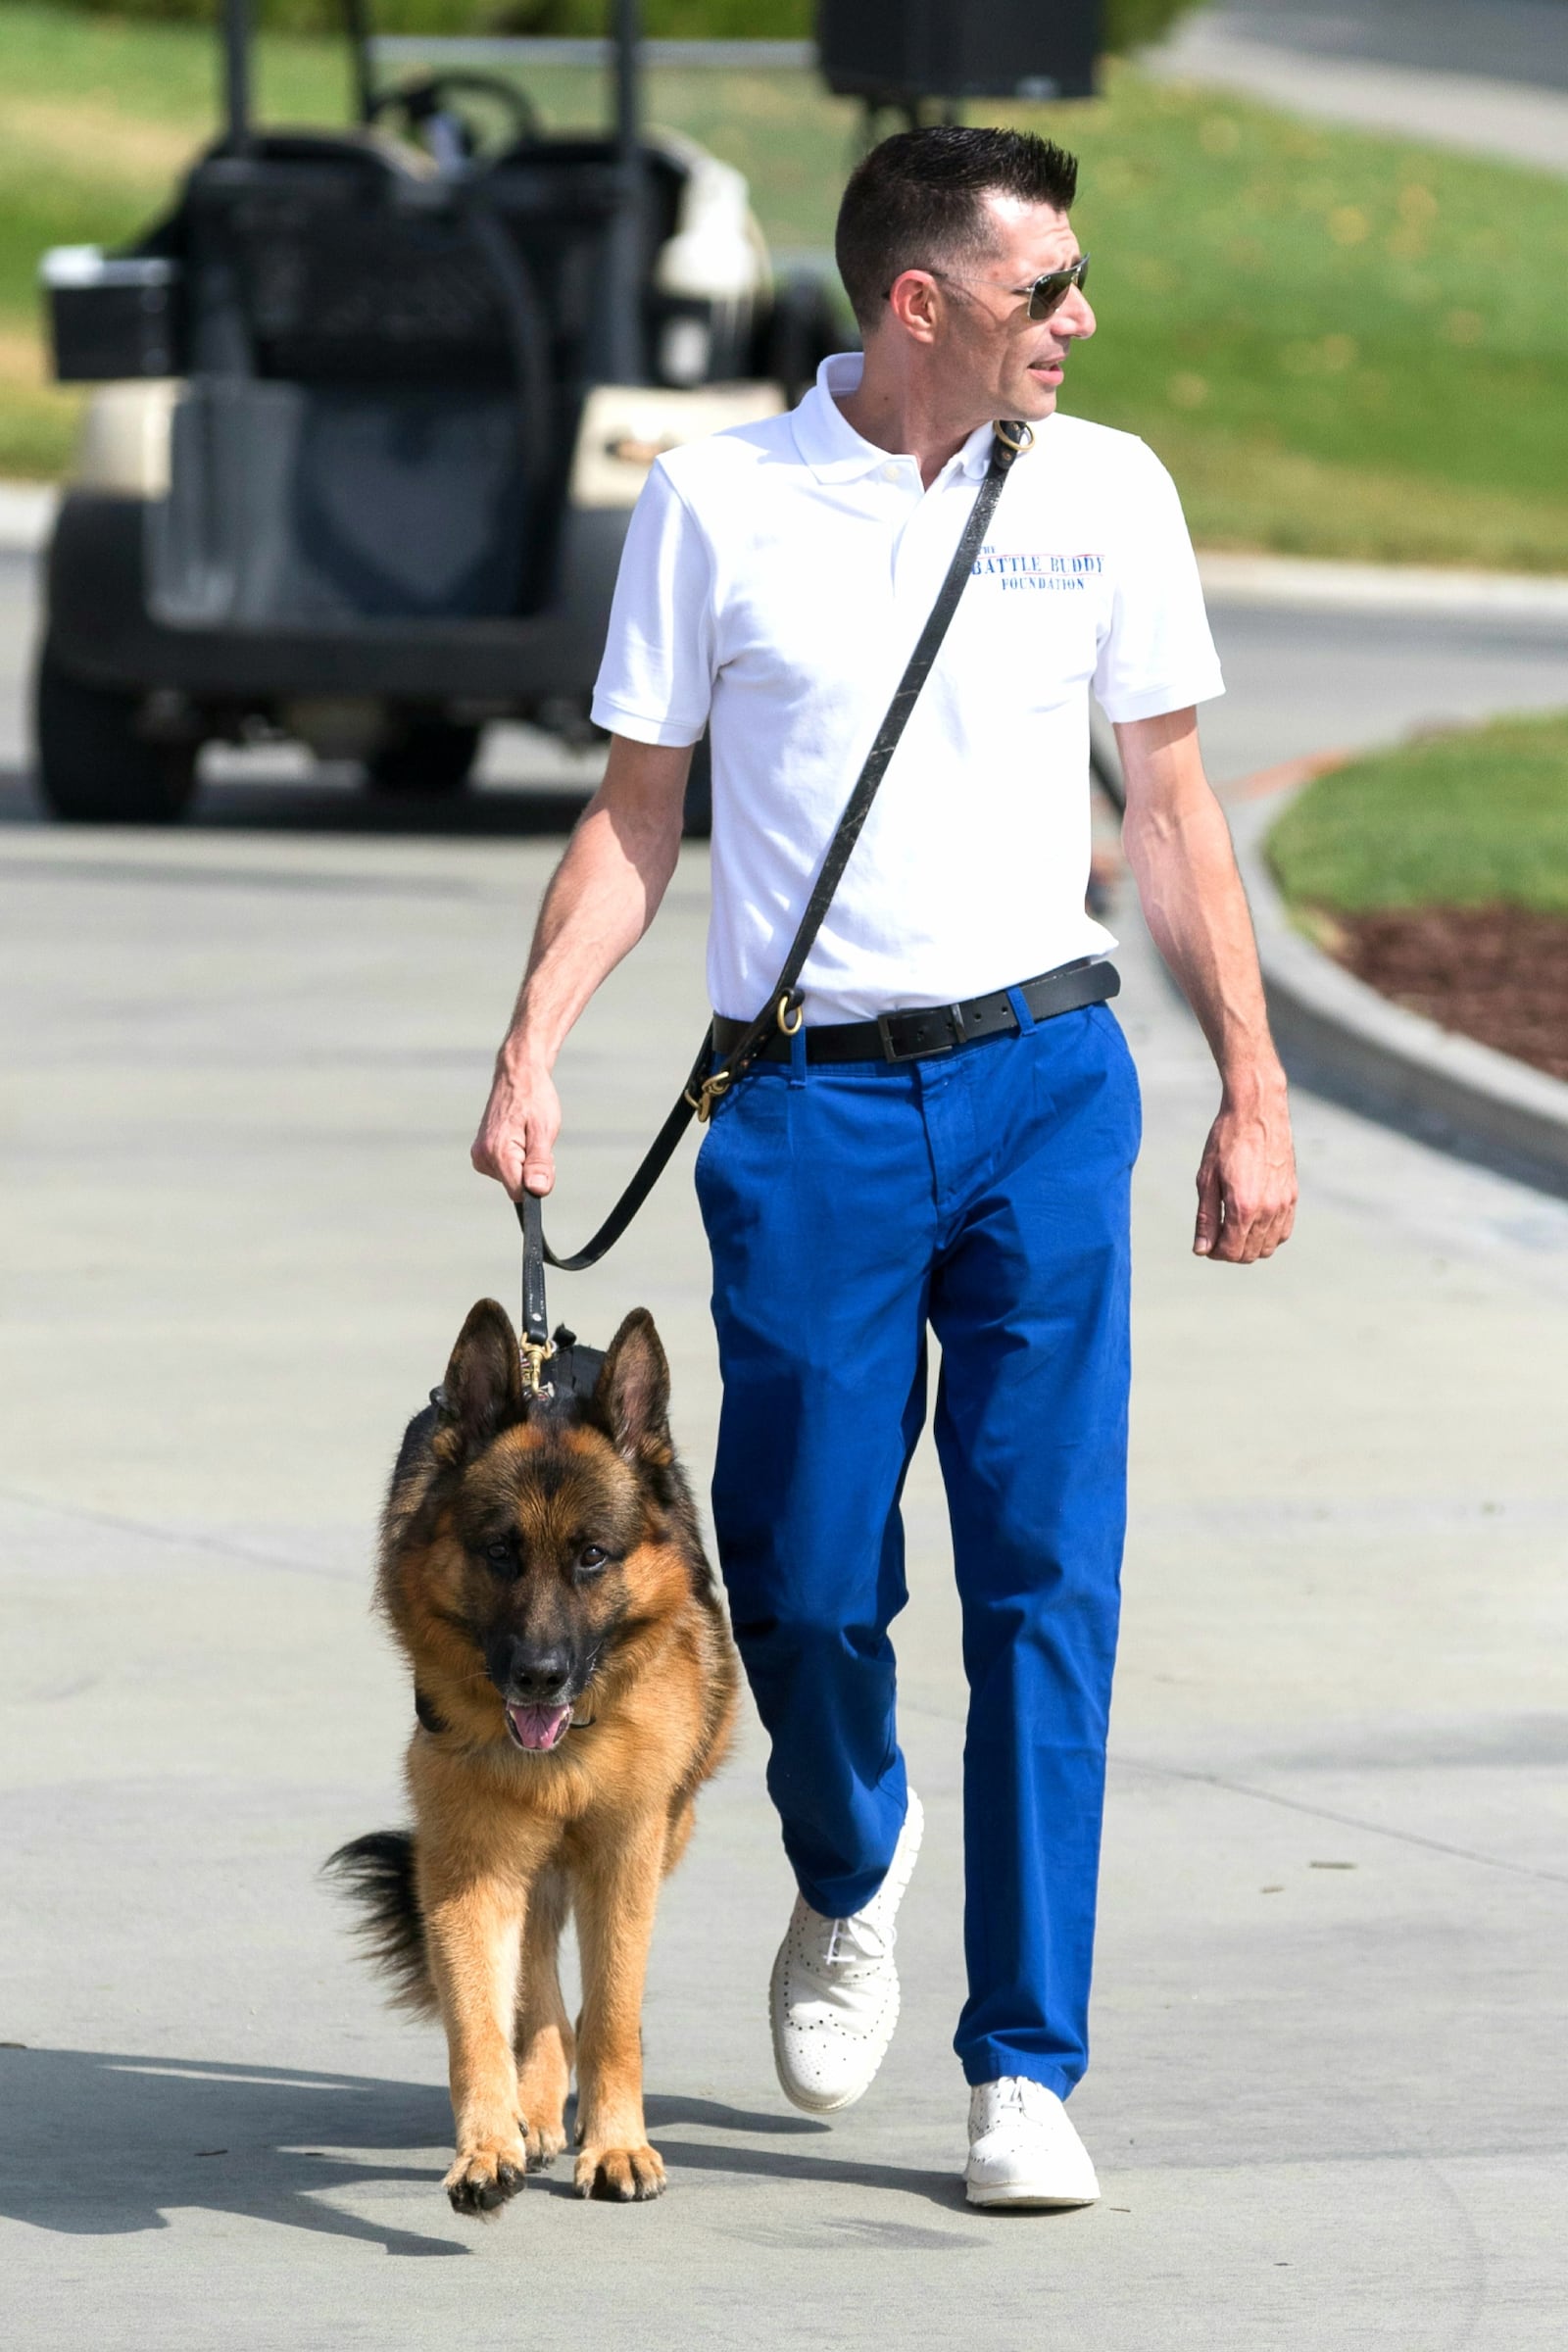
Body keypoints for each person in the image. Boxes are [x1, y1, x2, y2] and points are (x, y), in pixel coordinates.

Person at [471, 124, 1297, 2210]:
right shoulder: (718, 504)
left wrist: (1252, 1085)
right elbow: (637, 811)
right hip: (809, 1117)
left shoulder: (1104, 490)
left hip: (1043, 1083)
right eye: (1046, 293)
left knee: (1045, 1581)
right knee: (808, 1581)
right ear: (918, 302)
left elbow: (1178, 814)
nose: (1079, 324)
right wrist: (534, 1044)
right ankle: (848, 1865)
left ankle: (1023, 2065)